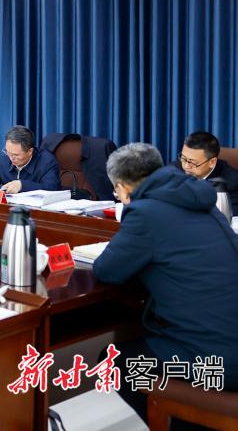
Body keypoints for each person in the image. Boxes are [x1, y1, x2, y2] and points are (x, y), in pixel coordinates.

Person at [94, 143, 238, 422]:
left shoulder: (145, 213)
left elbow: (107, 271)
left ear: (122, 188)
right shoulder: (202, 202)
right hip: (229, 345)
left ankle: (179, 421)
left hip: (218, 364)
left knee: (114, 363)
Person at [0, 125, 60, 194]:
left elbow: (52, 188)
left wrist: (22, 185)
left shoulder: (47, 161)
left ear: (30, 151)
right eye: (8, 152)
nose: (11, 158)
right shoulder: (4, 157)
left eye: (16, 155)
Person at [175, 131, 238, 213]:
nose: (186, 166)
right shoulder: (175, 169)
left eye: (193, 162)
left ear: (212, 162)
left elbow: (229, 216)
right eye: (183, 158)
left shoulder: (232, 182)